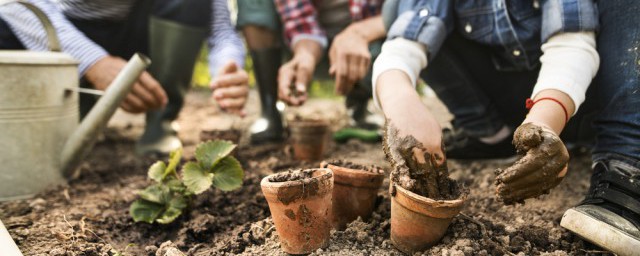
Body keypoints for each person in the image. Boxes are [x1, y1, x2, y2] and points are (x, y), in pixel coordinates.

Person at [374, 0, 639, 254]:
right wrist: (400, 100)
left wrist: (544, 121)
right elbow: (408, 39)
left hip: (588, 98)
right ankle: (491, 134)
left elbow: (572, 44)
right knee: (395, 8)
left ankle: (625, 162)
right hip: (514, 102)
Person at [0, 0, 249, 155]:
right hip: (66, 30)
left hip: (142, 30)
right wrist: (93, 62)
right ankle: (68, 117)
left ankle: (160, 123)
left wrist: (228, 67)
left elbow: (221, 30)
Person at [236, 0, 386, 144]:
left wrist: (358, 34)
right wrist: (305, 55)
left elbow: (406, 12)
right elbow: (300, 22)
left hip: (369, 46)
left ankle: (358, 102)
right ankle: (269, 109)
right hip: (300, 45)